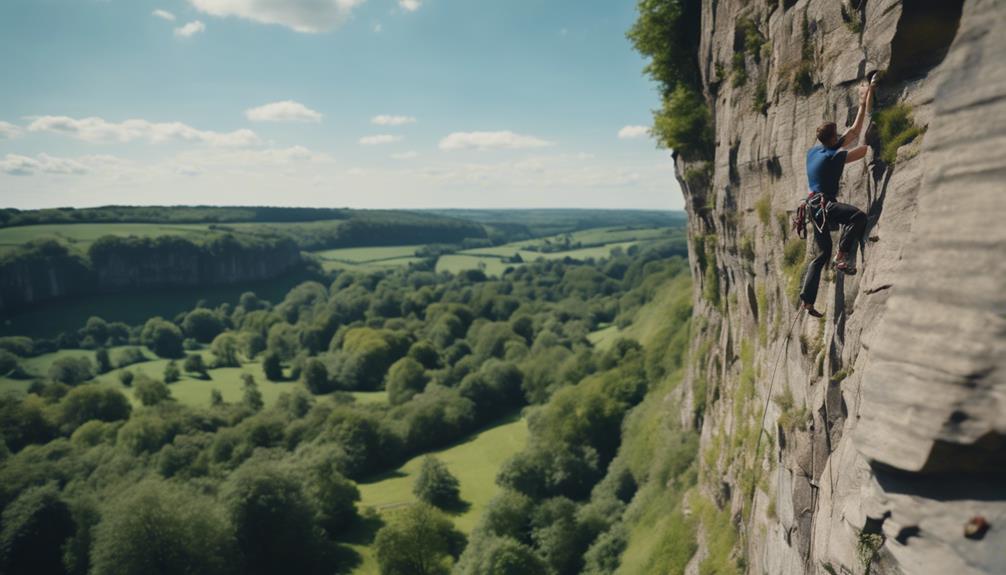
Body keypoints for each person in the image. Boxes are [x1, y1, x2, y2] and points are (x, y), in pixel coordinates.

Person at [799, 78, 875, 318]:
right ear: (832, 139)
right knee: (857, 217)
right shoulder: (832, 157)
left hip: (812, 206)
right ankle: (842, 256)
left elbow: (849, 139)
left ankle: (807, 302)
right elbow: (858, 144)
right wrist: (864, 107)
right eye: (837, 136)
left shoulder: (814, 152)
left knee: (821, 254)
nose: (840, 136)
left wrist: (862, 106)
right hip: (824, 205)